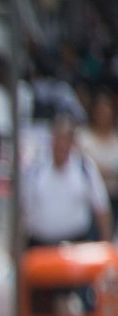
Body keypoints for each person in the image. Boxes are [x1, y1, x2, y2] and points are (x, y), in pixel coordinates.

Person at [23, 114, 114, 246]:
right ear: (52, 141)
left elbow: (101, 208)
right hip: (42, 245)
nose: (61, 145)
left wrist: (107, 245)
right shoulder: (36, 168)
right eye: (58, 140)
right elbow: (23, 210)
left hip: (77, 242)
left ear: (72, 143)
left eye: (65, 140)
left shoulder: (84, 167)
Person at [78, 91, 118, 223]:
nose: (103, 115)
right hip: (90, 202)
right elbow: (83, 168)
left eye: (107, 111)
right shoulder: (83, 138)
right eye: (100, 111)